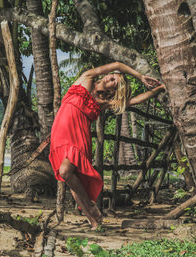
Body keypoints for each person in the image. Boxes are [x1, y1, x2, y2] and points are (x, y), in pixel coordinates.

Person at [49, 62, 165, 229]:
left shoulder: (103, 103)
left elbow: (132, 101)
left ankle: (90, 206)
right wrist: (140, 76)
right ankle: (94, 222)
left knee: (66, 172)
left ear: (113, 91)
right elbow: (117, 64)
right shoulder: (86, 78)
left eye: (115, 82)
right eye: (113, 76)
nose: (111, 77)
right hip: (60, 133)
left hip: (79, 136)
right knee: (74, 182)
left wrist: (158, 89)